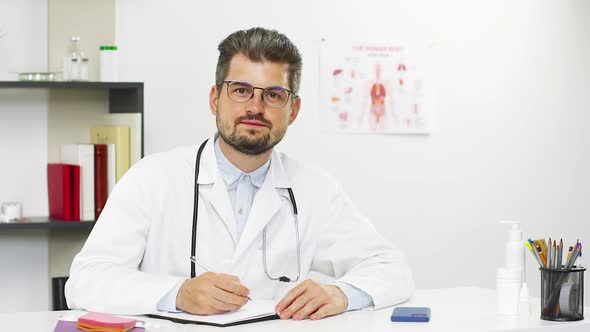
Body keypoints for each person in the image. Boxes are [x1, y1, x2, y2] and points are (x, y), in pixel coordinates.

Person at [65, 27, 414, 321]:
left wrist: (342, 293)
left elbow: (391, 267)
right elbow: (85, 280)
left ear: (293, 110)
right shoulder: (152, 178)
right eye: (241, 90)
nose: (255, 108)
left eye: (274, 95)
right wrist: (177, 293)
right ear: (215, 98)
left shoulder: (315, 188)